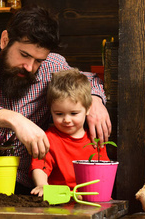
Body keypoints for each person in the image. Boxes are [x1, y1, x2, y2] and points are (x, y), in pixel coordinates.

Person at [0, 5, 111, 195]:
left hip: (10, 176)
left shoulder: (53, 65)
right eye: (24, 55)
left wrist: (95, 100)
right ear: (5, 40)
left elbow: (88, 79)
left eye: (38, 60)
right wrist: (15, 120)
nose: (29, 67)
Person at [30, 68, 110, 197]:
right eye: (59, 114)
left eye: (74, 113)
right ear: (51, 110)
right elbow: (40, 166)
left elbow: (104, 172)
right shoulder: (49, 139)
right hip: (62, 199)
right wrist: (42, 185)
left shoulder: (95, 139)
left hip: (91, 198)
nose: (66, 120)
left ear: (88, 109)